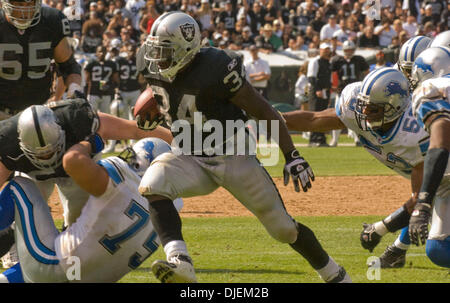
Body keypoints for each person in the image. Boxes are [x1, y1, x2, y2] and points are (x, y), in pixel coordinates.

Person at [137, 11, 350, 283]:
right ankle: (181, 261)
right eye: (156, 50)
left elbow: (264, 110)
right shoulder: (149, 61)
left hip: (232, 155)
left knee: (283, 229)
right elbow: (163, 93)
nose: (157, 58)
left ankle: (335, 275)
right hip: (188, 153)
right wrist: (157, 107)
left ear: (186, 49)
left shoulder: (216, 68)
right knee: (153, 183)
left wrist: (291, 155)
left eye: (165, 52)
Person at [282, 68, 431, 268]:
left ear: (395, 106)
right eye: (364, 106)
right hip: (434, 186)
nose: (365, 113)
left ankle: (397, 251)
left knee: (438, 249)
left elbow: (421, 198)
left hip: (444, 178)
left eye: (374, 109)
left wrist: (379, 229)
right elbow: (313, 119)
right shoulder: (356, 109)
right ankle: (397, 253)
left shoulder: (416, 132)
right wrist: (265, 115)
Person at [0, 99, 172, 268]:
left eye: (50, 152)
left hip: (75, 170)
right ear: (21, 144)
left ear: (62, 131)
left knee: (78, 226)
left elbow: (133, 130)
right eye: (39, 155)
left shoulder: (77, 119)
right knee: (19, 206)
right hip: (33, 175)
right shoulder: (7, 141)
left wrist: (182, 141)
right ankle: (13, 244)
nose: (46, 158)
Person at [0, 138, 184, 282]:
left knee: (20, 184)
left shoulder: (122, 177)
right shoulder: (168, 212)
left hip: (53, 264)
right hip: (82, 276)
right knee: (65, 250)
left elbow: (74, 164)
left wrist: (88, 143)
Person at [0, 0, 82, 121]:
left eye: (30, 4)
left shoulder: (51, 20)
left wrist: (74, 91)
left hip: (40, 114)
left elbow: (68, 66)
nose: (25, 13)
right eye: (20, 4)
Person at [408, 46, 450, 268]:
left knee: (439, 249)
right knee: (438, 248)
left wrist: (423, 203)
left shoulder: (434, 88)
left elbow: (440, 143)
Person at [330, 40, 369, 147]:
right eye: (347, 50)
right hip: (341, 91)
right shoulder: (337, 60)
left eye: (351, 50)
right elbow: (332, 74)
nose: (349, 52)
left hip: (355, 91)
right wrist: (334, 86)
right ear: (343, 50)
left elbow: (367, 73)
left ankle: (357, 139)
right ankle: (335, 140)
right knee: (338, 115)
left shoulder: (358, 59)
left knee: (357, 116)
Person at [307, 42, 332, 147]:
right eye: (324, 49)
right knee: (315, 115)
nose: (326, 51)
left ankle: (321, 138)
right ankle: (313, 139)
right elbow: (311, 77)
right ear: (320, 50)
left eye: (328, 49)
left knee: (324, 115)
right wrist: (317, 90)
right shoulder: (315, 61)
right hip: (316, 91)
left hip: (325, 92)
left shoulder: (328, 63)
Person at [84, 45, 120, 114]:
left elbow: (116, 80)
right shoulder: (91, 63)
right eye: (100, 52)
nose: (102, 53)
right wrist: (86, 95)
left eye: (104, 51)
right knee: (92, 115)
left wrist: (112, 89)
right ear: (96, 53)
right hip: (93, 94)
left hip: (106, 94)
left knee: (106, 116)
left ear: (106, 52)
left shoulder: (112, 64)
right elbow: (87, 80)